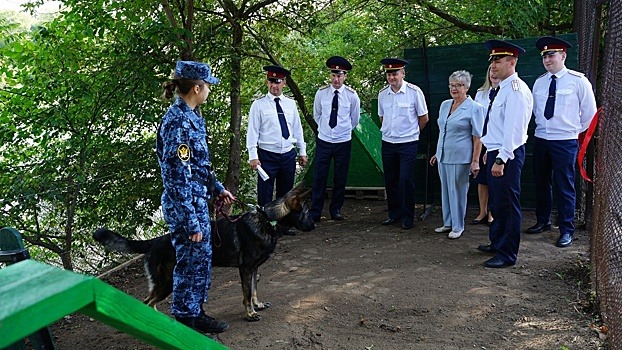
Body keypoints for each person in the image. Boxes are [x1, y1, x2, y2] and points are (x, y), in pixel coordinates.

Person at [158, 60, 235, 333]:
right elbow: (177, 175)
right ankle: (185, 319)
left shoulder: (192, 116)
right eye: (207, 87)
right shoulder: (177, 121)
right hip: (185, 207)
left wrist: (217, 188)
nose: (209, 92)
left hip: (197, 202)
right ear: (196, 88)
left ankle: (195, 312)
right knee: (190, 262)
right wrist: (191, 221)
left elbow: (199, 166)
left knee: (200, 260)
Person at [526, 36, 597, 247]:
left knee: (564, 185)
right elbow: (534, 111)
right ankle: (543, 221)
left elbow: (589, 114)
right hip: (541, 139)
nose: (547, 60)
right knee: (541, 182)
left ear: (563, 56)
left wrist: (572, 130)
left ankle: (567, 229)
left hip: (565, 140)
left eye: (551, 55)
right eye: (544, 57)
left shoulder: (578, 81)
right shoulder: (539, 82)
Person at [476, 40, 533, 268]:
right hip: (495, 151)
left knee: (508, 204)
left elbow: (514, 130)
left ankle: (508, 254)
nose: (493, 65)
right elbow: (497, 126)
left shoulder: (517, 91)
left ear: (512, 62)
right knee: (498, 203)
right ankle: (497, 242)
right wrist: (490, 152)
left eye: (498, 60)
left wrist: (501, 158)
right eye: (492, 61)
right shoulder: (501, 89)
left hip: (506, 155)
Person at [430, 70, 484, 239]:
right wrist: (438, 153)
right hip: (443, 156)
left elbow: (478, 137)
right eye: (451, 85)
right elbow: (443, 131)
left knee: (458, 191)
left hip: (461, 157)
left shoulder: (475, 108)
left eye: (458, 85)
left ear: (467, 87)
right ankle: (447, 222)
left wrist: (475, 161)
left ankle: (458, 225)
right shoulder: (445, 104)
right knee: (446, 190)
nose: (454, 88)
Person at [246, 65, 308, 209]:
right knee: (265, 193)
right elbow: (252, 131)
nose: (275, 85)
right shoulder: (258, 105)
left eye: (278, 81)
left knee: (286, 193)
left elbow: (297, 129)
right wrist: (253, 155)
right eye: (271, 81)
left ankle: (283, 226)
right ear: (267, 82)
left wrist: (302, 151)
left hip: (287, 154)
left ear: (284, 83)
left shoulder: (291, 104)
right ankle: (266, 227)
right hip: (267, 155)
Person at [377, 58, 429, 230]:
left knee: (405, 180)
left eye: (395, 73)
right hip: (388, 142)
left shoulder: (414, 92)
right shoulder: (383, 94)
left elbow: (424, 118)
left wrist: (413, 133)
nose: (392, 77)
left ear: (403, 73)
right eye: (389, 74)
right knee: (390, 180)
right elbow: (382, 117)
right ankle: (394, 214)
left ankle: (408, 216)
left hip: (408, 142)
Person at [310, 56, 361, 222]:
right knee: (319, 176)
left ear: (345, 76)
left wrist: (341, 131)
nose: (336, 79)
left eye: (339, 75)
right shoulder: (321, 93)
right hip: (324, 140)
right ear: (330, 75)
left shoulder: (352, 96)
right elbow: (317, 115)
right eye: (333, 75)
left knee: (340, 177)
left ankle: (336, 209)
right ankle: (315, 211)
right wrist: (326, 130)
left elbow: (354, 120)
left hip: (342, 141)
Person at [471, 65, 500, 226]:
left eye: (496, 71)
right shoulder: (480, 93)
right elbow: (476, 121)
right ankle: (482, 211)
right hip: (480, 141)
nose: (493, 74)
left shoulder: (505, 92)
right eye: (490, 71)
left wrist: (489, 149)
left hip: (495, 144)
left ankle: (491, 213)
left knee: (493, 180)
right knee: (481, 180)